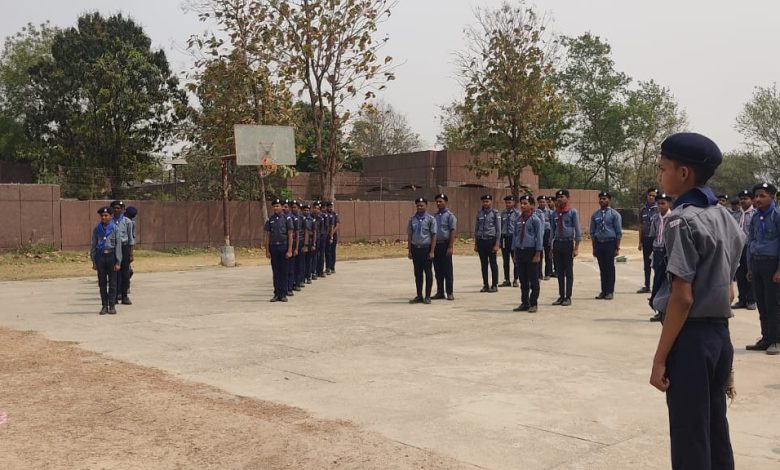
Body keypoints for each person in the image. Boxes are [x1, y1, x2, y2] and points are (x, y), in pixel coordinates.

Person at [649, 132, 744, 469]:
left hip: (691, 339)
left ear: (683, 173)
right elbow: (729, 290)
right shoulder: (724, 217)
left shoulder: (681, 220)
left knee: (690, 436)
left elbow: (682, 297)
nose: (660, 175)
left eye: (663, 168)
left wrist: (660, 359)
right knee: (716, 430)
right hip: (719, 336)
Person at [745, 182, 780, 355]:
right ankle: (766, 338)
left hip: (772, 264)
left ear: (772, 197)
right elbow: (751, 241)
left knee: (773, 304)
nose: (758, 199)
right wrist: (750, 267)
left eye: (762, 196)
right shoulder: (755, 217)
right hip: (757, 263)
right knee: (762, 303)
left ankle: (776, 340)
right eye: (756, 196)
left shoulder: (777, 216)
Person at [512, 195, 543, 313]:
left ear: (532, 205)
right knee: (523, 279)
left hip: (531, 251)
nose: (523, 205)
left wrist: (538, 253)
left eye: (525, 203)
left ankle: (533, 303)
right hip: (520, 251)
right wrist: (515, 253)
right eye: (521, 203)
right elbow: (515, 236)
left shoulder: (535, 220)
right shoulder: (518, 220)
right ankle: (525, 303)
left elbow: (539, 237)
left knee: (533, 279)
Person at [590, 191, 622, 300]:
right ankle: (603, 291)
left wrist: (617, 247)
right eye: (600, 199)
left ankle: (610, 291)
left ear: (609, 200)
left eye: (604, 198)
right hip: (599, 243)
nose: (602, 200)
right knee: (602, 268)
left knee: (610, 268)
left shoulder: (614, 214)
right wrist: (594, 247)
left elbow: (618, 232)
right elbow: (592, 232)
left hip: (610, 243)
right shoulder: (595, 215)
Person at [551, 189, 581, 306]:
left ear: (568, 198)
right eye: (558, 197)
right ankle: (561, 296)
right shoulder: (554, 214)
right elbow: (552, 231)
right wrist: (551, 246)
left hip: (568, 243)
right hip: (557, 243)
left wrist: (576, 247)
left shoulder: (572, 212)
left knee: (568, 271)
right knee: (559, 272)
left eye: (562, 196)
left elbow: (577, 230)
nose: (559, 199)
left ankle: (568, 297)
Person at [90, 206, 122, 315]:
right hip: (101, 256)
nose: (104, 217)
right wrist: (94, 261)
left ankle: (112, 305)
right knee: (102, 283)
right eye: (102, 216)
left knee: (112, 283)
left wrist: (118, 261)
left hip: (111, 256)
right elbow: (93, 245)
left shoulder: (114, 228)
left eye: (106, 215)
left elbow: (118, 245)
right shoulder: (97, 229)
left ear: (110, 216)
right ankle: (104, 305)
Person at [407, 197, 437, 304]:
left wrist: (432, 251)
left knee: (428, 273)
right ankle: (419, 295)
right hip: (416, 249)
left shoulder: (431, 219)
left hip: (426, 249)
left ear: (426, 206)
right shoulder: (412, 219)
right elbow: (410, 235)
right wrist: (410, 250)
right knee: (418, 273)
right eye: (418, 205)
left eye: (422, 205)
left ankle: (427, 296)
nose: (419, 207)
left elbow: (434, 235)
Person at [648, 193, 673, 322]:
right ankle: (658, 309)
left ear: (669, 204)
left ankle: (669, 309)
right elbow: (653, 234)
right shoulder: (655, 218)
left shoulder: (674, 218)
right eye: (658, 203)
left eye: (663, 203)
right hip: (658, 250)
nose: (660, 206)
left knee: (669, 281)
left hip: (668, 252)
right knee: (658, 280)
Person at [731, 189, 756, 310]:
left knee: (750, 273)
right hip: (738, 248)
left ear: (751, 200)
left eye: (746, 199)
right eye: (741, 199)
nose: (743, 201)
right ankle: (742, 300)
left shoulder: (755, 214)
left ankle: (751, 300)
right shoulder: (735, 215)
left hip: (750, 247)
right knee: (740, 274)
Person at [265, 199, 294, 302]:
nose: (276, 208)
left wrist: (289, 250)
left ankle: (283, 294)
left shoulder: (287, 218)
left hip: (283, 247)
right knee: (276, 272)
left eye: (277, 206)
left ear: (282, 207)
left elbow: (290, 235)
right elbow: (268, 235)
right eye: (274, 206)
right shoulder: (270, 219)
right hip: (274, 247)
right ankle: (276, 294)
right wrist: (267, 250)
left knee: (284, 271)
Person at [474, 194, 501, 292]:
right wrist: (476, 243)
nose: (485, 203)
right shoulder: (479, 213)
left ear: (491, 202)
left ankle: (494, 285)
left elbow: (498, 230)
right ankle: (485, 284)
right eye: (484, 201)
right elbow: (476, 229)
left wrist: (497, 244)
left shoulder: (495, 213)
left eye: (487, 201)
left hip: (491, 240)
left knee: (493, 263)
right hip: (481, 241)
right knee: (483, 264)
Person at [432, 193, 457, 300]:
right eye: (437, 202)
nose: (438, 203)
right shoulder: (434, 216)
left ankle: (449, 292)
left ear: (446, 202)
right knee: (438, 270)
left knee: (447, 270)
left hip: (445, 244)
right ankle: (440, 292)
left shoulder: (450, 216)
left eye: (440, 201)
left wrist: (450, 246)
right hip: (436, 245)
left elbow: (452, 231)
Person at [110, 200, 135, 305]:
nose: (116, 210)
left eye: (118, 208)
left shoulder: (127, 222)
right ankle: (115, 296)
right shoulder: (109, 222)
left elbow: (131, 239)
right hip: (113, 248)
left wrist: (131, 253)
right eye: (115, 208)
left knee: (125, 273)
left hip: (124, 248)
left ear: (122, 209)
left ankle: (124, 296)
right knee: (114, 273)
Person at [637, 188, 658, 294]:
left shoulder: (659, 209)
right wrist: (640, 242)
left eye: (653, 196)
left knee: (657, 264)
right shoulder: (643, 210)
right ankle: (647, 285)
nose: (651, 197)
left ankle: (658, 286)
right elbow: (641, 226)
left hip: (657, 240)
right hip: (646, 239)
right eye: (650, 195)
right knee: (647, 264)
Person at [499, 195, 518, 287]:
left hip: (513, 238)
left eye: (509, 202)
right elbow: (500, 227)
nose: (508, 204)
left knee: (515, 259)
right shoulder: (502, 213)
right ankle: (507, 280)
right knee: (505, 260)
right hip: (504, 238)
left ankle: (515, 279)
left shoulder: (517, 214)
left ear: (513, 202)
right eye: (506, 203)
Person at [536, 195, 553, 280]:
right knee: (539, 254)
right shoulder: (535, 212)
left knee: (548, 254)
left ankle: (548, 273)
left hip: (547, 233)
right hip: (539, 234)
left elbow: (553, 225)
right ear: (538, 203)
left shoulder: (550, 212)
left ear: (546, 202)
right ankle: (539, 274)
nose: (542, 203)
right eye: (540, 202)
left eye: (543, 202)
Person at [124, 206, 138, 295]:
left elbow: (132, 238)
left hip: (126, 246)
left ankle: (126, 286)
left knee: (126, 269)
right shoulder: (122, 221)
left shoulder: (131, 223)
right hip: (122, 246)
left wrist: (131, 253)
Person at [301, 203, 316, 284]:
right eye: (305, 210)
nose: (306, 212)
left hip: (309, 242)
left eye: (308, 210)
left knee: (309, 260)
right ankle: (302, 277)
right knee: (302, 261)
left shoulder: (312, 220)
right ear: (302, 211)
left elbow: (314, 232)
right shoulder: (300, 219)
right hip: (301, 242)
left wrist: (313, 244)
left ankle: (308, 276)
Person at [325, 201, 340, 274]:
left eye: (331, 207)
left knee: (333, 252)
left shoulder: (335, 214)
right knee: (327, 252)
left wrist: (332, 233)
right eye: (329, 207)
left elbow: (337, 225)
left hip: (333, 235)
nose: (331, 208)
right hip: (326, 235)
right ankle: (327, 267)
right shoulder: (325, 214)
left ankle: (332, 267)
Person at [546, 196, 557, 277]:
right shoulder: (547, 212)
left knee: (555, 254)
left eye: (550, 202)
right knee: (550, 253)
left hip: (556, 235)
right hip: (549, 234)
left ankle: (556, 270)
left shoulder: (556, 212)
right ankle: (550, 270)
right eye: (548, 202)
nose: (549, 203)